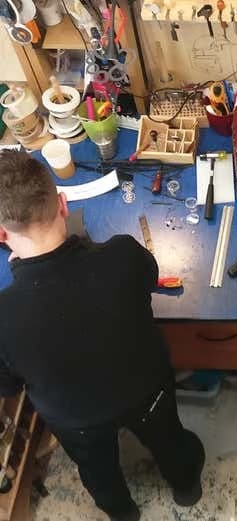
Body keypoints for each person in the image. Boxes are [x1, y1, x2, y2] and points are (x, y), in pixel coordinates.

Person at [0, 150, 205, 521]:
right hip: (146, 390)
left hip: (76, 418)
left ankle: (122, 513)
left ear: (2, 234)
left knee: (98, 473)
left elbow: (8, 386)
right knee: (172, 443)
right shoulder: (123, 255)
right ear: (62, 204)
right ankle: (187, 486)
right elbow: (147, 274)